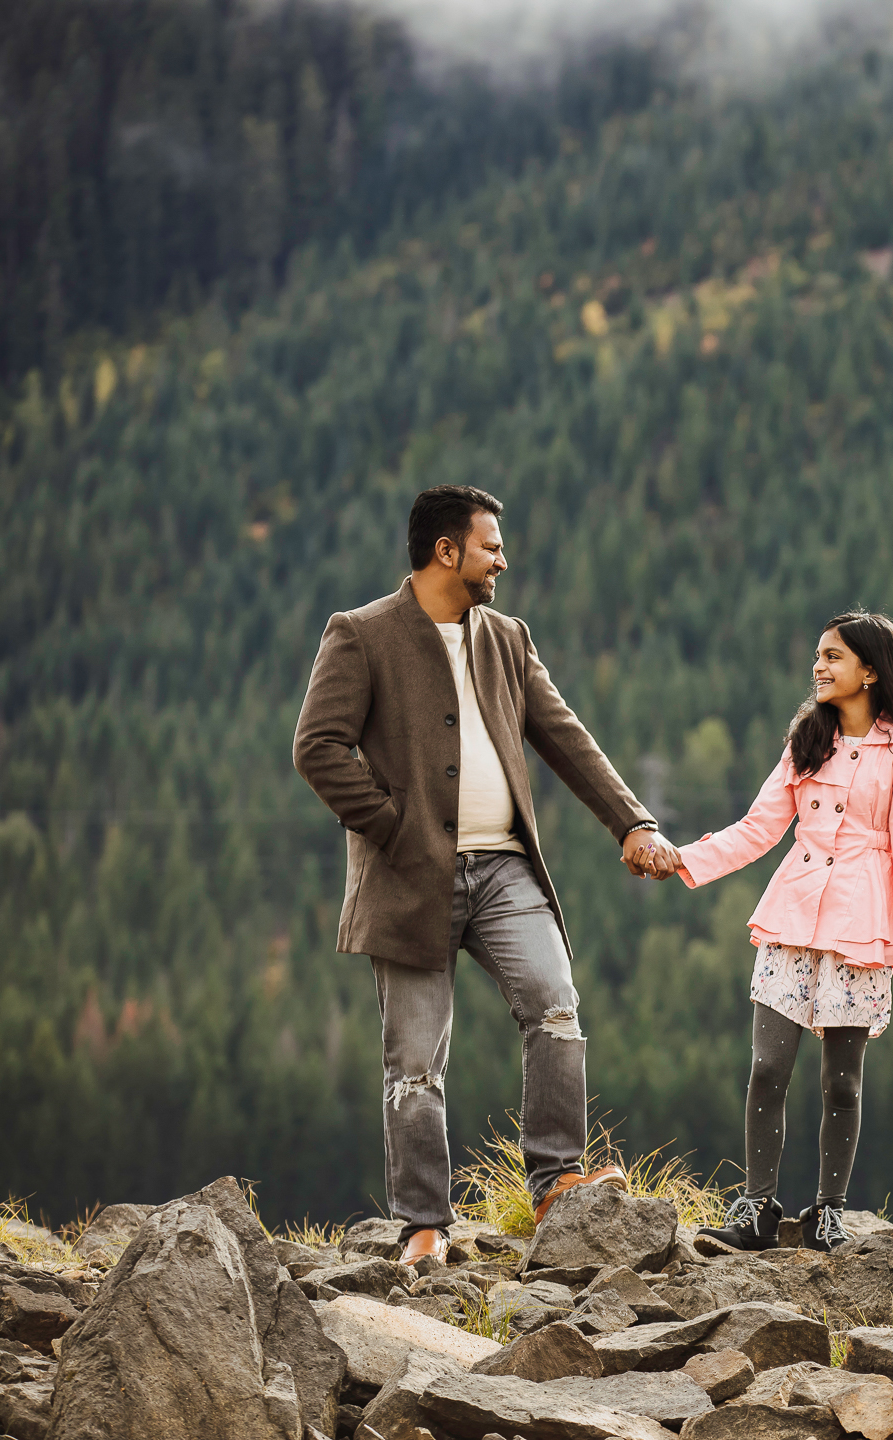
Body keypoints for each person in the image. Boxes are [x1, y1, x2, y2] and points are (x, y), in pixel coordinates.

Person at [294, 485, 681, 1266]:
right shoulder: (361, 634)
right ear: (447, 551)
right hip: (407, 875)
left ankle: (556, 1182)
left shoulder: (507, 637)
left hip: (505, 866)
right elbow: (317, 747)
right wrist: (392, 825)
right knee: (414, 1060)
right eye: (491, 546)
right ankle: (424, 1225)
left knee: (555, 1006)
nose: (503, 558)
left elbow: (565, 737)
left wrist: (633, 821)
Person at [665, 613, 893, 1254]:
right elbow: (757, 828)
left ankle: (828, 1210)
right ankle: (758, 1206)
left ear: (871, 672)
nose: (819, 667)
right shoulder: (807, 741)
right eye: (817, 657)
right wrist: (684, 858)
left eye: (833, 657)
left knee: (841, 1081)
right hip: (793, 916)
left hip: (861, 926)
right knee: (767, 1068)